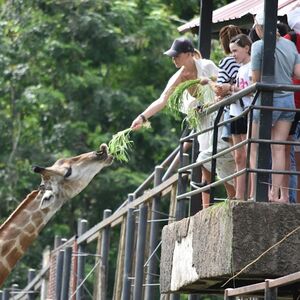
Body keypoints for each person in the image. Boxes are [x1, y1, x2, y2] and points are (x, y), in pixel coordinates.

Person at [131, 37, 234, 208]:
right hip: (202, 124)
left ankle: (233, 197)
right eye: (172, 56)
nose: (173, 59)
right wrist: (142, 117)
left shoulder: (207, 66)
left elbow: (223, 86)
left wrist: (211, 102)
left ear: (189, 54)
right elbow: (162, 100)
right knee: (207, 161)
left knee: (218, 157)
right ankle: (206, 207)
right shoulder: (178, 77)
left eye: (177, 55)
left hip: (219, 116)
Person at [250, 11, 300, 202]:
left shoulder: (258, 46)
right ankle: (275, 193)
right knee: (279, 148)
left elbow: (255, 78)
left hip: (268, 101)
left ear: (260, 28)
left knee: (254, 145)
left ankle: (257, 192)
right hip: (288, 100)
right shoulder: (290, 45)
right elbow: (297, 73)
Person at [226, 34, 252, 200]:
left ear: (246, 48)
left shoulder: (251, 66)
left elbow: (249, 90)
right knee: (238, 156)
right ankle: (239, 194)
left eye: (235, 50)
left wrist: (231, 89)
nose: (233, 55)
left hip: (246, 111)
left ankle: (250, 193)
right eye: (231, 51)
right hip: (236, 112)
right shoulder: (240, 68)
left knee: (249, 154)